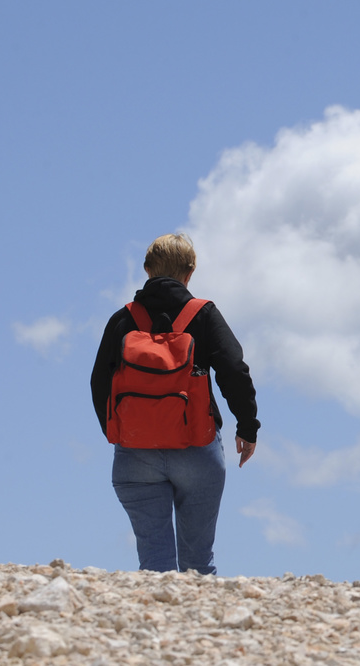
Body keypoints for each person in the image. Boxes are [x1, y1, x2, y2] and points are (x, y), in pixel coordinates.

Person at [90, 233, 259, 574]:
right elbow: (233, 369)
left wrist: (121, 433)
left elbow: (99, 383)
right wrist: (247, 427)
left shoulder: (123, 319)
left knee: (154, 564)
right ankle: (201, 626)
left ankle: (154, 624)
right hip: (196, 447)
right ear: (190, 272)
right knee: (198, 564)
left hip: (135, 454)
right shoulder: (204, 314)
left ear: (147, 269)